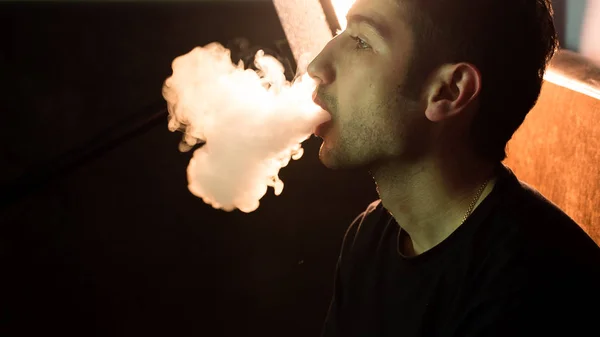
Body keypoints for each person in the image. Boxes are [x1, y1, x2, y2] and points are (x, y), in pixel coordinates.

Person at [306, 0, 600, 336]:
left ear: (448, 91)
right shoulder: (370, 235)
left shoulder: (533, 288)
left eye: (361, 41)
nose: (317, 65)